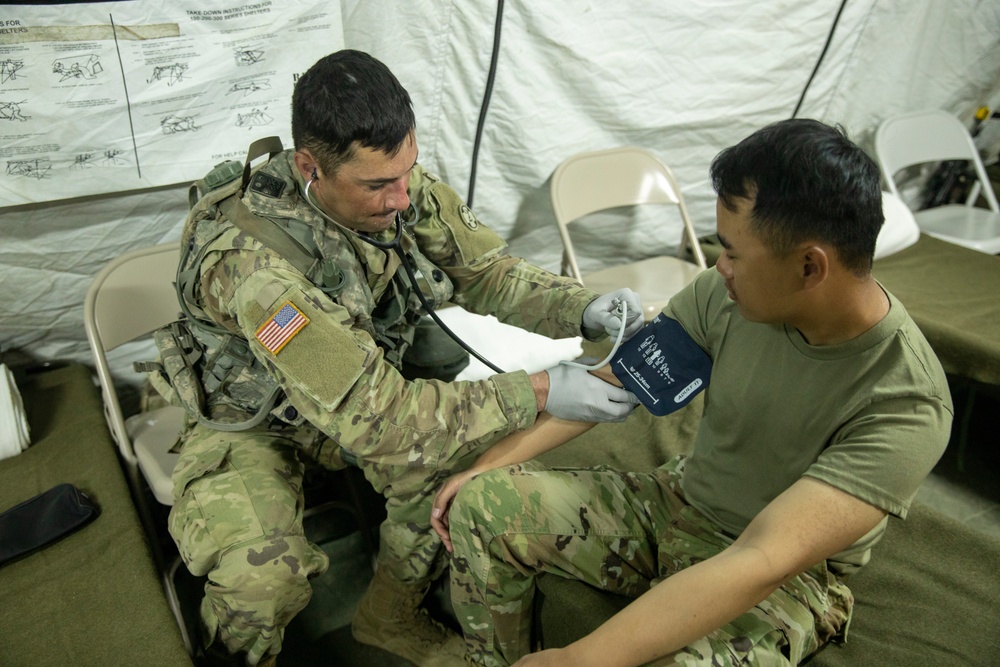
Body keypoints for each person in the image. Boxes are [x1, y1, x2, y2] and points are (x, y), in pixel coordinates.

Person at [161, 49, 644, 667]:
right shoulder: (256, 271)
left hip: (359, 395)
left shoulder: (393, 181)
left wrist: (583, 308)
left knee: (451, 472)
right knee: (264, 581)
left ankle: (388, 618)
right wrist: (543, 389)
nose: (400, 198)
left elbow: (487, 273)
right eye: (377, 186)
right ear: (310, 167)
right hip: (256, 422)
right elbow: (386, 422)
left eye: (407, 173)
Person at [434, 118, 954, 666]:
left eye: (732, 252)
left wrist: (578, 659)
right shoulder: (726, 297)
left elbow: (761, 557)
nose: (717, 268)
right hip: (684, 500)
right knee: (481, 504)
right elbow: (612, 384)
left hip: (791, 575)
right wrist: (484, 467)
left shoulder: (906, 403)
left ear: (809, 266)